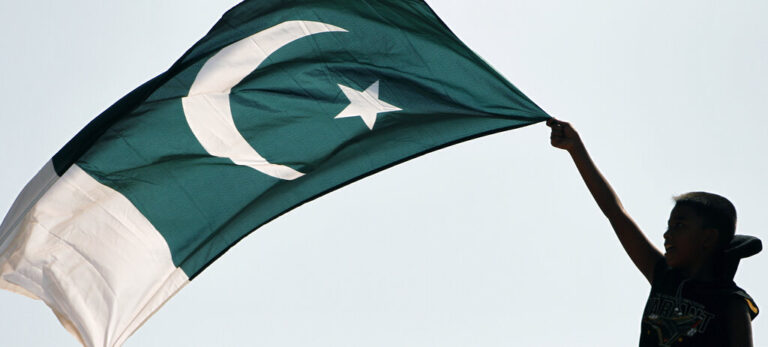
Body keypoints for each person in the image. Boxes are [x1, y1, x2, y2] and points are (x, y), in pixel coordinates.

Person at [545, 119, 760, 346]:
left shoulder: (732, 303)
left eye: (679, 226)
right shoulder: (663, 277)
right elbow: (615, 213)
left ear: (708, 238)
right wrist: (576, 149)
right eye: (668, 226)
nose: (667, 235)